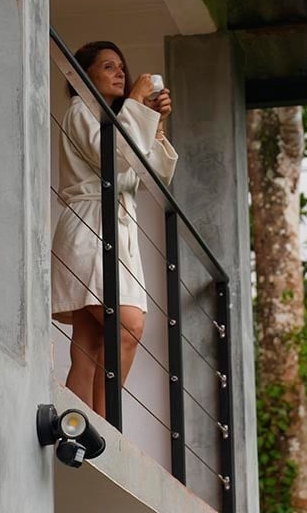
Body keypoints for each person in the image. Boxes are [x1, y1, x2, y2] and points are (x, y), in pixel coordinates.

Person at [51, 40, 175, 418]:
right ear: (81, 76)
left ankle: (79, 426)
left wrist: (155, 124)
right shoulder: (80, 111)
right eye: (108, 66)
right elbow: (115, 160)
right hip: (90, 227)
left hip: (117, 232)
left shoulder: (114, 120)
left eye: (122, 66)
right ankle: (105, 428)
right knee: (128, 325)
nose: (120, 72)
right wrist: (136, 105)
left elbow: (154, 176)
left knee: (88, 344)